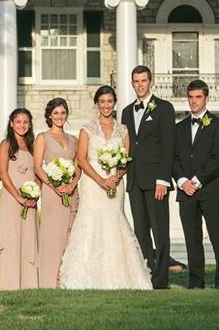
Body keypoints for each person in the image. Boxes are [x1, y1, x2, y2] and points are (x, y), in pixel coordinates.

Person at [59, 86, 151, 290]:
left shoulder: (123, 130)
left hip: (115, 184)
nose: (106, 105)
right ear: (97, 104)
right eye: (102, 102)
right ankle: (84, 277)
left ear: (114, 103)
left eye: (110, 101)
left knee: (114, 223)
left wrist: (116, 176)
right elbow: (82, 159)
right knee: (91, 223)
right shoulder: (87, 130)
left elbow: (125, 160)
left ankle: (119, 276)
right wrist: (101, 180)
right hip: (93, 185)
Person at [119, 65, 175, 289]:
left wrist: (163, 179)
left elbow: (169, 146)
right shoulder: (125, 112)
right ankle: (146, 277)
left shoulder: (164, 108)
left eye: (143, 80)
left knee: (160, 232)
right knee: (141, 232)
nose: (140, 85)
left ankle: (161, 281)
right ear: (132, 84)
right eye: (136, 81)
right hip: (134, 181)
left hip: (155, 182)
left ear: (150, 82)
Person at [172, 79, 219, 289]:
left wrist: (197, 180)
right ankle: (196, 282)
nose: (194, 101)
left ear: (206, 99)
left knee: (217, 237)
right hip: (185, 192)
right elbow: (174, 159)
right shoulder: (178, 128)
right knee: (192, 239)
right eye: (191, 97)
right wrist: (182, 181)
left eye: (198, 97)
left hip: (211, 190)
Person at [33, 98, 80, 288]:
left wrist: (72, 185)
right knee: (52, 236)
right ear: (49, 116)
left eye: (63, 113)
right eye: (56, 113)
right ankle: (49, 280)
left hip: (71, 191)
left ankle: (67, 278)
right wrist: (54, 186)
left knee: (71, 235)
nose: (59, 117)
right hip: (52, 193)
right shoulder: (42, 138)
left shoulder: (74, 140)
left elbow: (79, 168)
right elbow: (37, 167)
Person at [0, 109, 39, 290]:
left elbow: (37, 172)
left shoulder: (33, 146)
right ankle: (9, 282)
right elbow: (3, 173)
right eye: (18, 121)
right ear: (11, 123)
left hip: (30, 200)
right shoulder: (6, 145)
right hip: (11, 197)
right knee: (11, 236)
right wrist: (18, 197)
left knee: (28, 237)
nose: (22, 125)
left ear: (30, 125)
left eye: (26, 122)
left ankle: (28, 283)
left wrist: (35, 194)